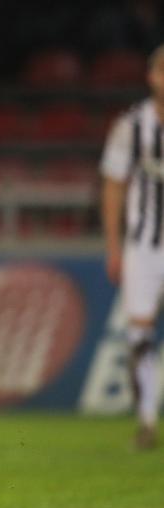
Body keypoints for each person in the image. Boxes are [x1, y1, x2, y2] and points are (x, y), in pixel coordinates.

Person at [101, 44, 164, 450]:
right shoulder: (132, 125)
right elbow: (113, 187)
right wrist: (113, 247)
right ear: (152, 75)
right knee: (139, 333)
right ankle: (147, 421)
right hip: (144, 243)